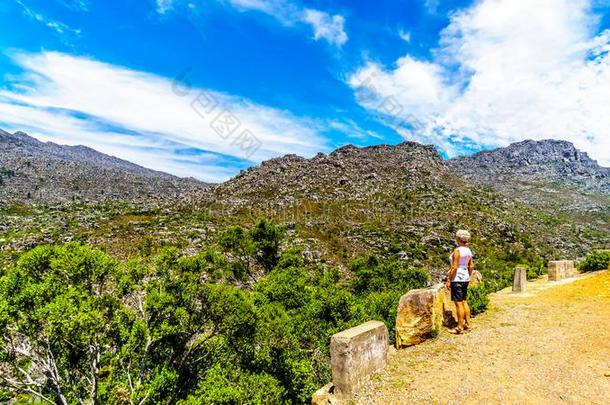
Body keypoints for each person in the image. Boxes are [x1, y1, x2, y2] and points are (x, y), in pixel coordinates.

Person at [445, 229, 474, 334]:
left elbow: (454, 267)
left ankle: (460, 326)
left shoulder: (457, 251)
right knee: (464, 301)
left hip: (457, 279)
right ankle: (468, 324)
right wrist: (468, 276)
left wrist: (449, 280)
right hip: (465, 278)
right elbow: (471, 266)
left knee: (458, 304)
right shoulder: (468, 250)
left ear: (458, 238)